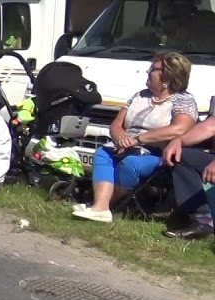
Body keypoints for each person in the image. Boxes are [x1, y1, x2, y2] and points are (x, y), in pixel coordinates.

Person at [72, 51, 196, 223]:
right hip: (127, 146)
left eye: (153, 68)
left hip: (157, 152)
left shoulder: (183, 100)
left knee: (130, 165)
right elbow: (116, 124)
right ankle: (100, 207)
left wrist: (138, 139)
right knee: (103, 153)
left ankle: (106, 205)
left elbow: (179, 129)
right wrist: (120, 137)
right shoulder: (140, 96)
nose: (148, 72)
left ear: (167, 77)